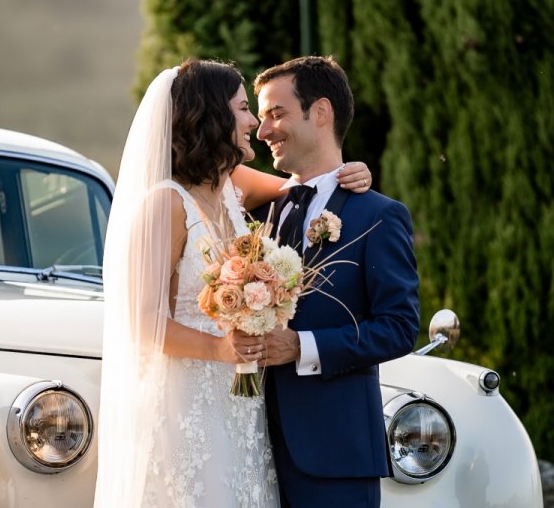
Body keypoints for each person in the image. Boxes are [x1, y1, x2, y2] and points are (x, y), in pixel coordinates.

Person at [94, 59, 373, 508]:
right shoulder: (166, 203)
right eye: (244, 109)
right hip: (186, 404)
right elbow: (143, 325)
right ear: (212, 116)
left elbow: (301, 187)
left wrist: (352, 172)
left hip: (239, 409)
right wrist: (220, 349)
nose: (255, 124)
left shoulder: (229, 188)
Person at [254, 56, 420, 508]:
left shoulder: (378, 216)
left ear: (321, 112)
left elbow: (400, 327)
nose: (263, 130)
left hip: (335, 454)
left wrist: (302, 347)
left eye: (276, 113)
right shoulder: (259, 211)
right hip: (248, 453)